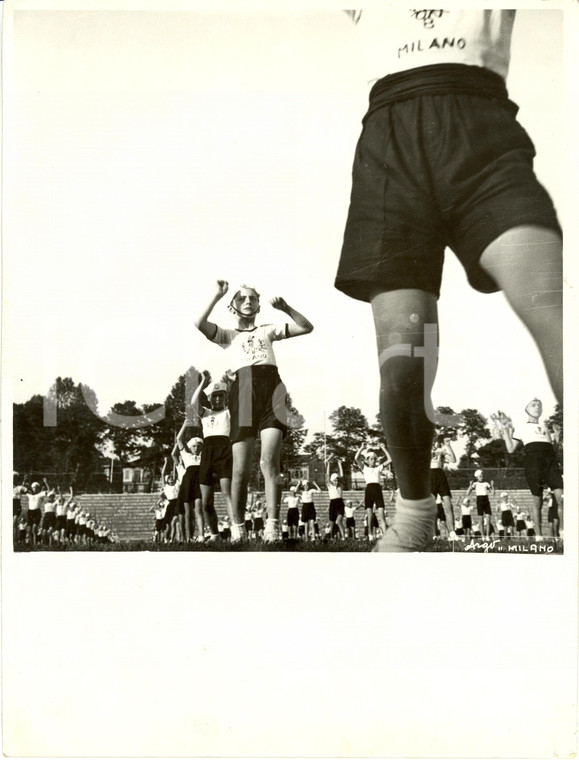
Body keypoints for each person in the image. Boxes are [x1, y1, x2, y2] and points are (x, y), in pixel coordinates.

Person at [337, 10, 562, 552]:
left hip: (478, 128)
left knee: (552, 309)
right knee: (403, 366)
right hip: (390, 147)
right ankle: (414, 515)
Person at [195, 281, 313, 541]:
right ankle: (238, 529)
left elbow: (306, 327)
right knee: (240, 469)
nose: (248, 302)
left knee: (269, 462)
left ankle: (271, 526)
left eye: (252, 299)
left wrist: (286, 308)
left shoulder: (268, 330)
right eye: (242, 299)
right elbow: (200, 324)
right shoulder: (228, 335)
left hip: (273, 390)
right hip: (244, 392)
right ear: (233, 307)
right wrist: (216, 295)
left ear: (258, 305)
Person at [492, 400, 563, 539]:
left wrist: (557, 436)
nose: (537, 407)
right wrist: (505, 429)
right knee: (538, 501)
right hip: (533, 465)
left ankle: (563, 533)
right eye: (534, 405)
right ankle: (539, 536)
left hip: (550, 464)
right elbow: (511, 449)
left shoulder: (546, 427)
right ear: (526, 409)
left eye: (539, 405)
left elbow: (552, 450)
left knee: (562, 498)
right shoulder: (521, 427)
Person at [191, 376, 234, 541]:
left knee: (227, 494)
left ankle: (236, 531)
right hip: (207, 454)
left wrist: (232, 381)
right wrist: (202, 382)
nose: (217, 399)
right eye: (214, 396)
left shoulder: (229, 412)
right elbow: (193, 403)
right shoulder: (205, 413)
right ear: (208, 398)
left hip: (224, 451)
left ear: (225, 397)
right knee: (206, 503)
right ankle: (215, 534)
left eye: (221, 395)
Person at [354, 444, 391, 540]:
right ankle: (370, 535)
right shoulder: (364, 468)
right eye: (371, 459)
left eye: (374, 459)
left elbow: (390, 459)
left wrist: (383, 448)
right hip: (369, 490)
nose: (373, 460)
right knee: (369, 515)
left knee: (381, 515)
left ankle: (386, 537)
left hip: (378, 490)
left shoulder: (378, 468)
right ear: (366, 460)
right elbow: (356, 457)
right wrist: (361, 448)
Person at [175, 419, 204, 542]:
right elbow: (179, 440)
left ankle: (201, 535)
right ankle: (188, 537)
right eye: (194, 446)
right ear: (190, 447)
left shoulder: (204, 456)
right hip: (187, 482)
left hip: (199, 482)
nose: (196, 448)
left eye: (199, 446)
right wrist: (185, 425)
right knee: (188, 513)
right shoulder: (186, 455)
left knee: (198, 509)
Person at [430, 437, 458, 540]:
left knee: (448, 504)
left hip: (440, 475)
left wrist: (448, 446)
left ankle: (452, 532)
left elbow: (453, 460)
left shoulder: (440, 450)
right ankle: (433, 534)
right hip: (430, 476)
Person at [466, 470, 495, 540]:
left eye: (482, 476)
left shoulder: (486, 483)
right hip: (479, 500)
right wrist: (470, 485)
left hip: (486, 500)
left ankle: (487, 535)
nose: (481, 477)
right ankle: (483, 536)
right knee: (481, 520)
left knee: (488, 520)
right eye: (480, 476)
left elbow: (492, 493)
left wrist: (492, 486)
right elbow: (467, 493)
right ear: (477, 477)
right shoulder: (475, 484)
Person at [325, 457, 346, 540]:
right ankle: (331, 537)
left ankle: (343, 537)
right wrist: (328, 464)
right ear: (332, 481)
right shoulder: (330, 486)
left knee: (339, 521)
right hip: (333, 503)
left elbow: (342, 476)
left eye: (337, 480)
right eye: (335, 480)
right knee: (332, 522)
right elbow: (327, 476)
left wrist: (340, 464)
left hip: (340, 503)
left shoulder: (340, 486)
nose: (336, 482)